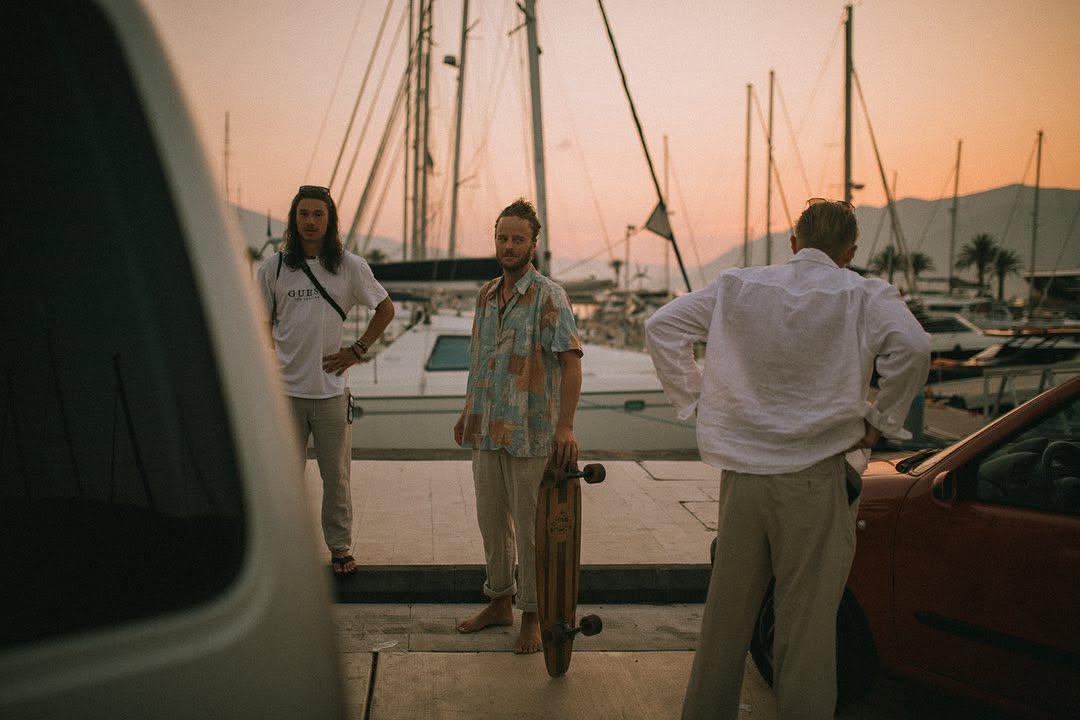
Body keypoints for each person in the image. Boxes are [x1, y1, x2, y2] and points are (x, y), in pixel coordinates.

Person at [645, 198, 930, 719]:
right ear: (849, 251)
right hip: (815, 476)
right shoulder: (864, 295)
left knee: (726, 619)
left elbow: (662, 327)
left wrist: (699, 399)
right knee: (806, 627)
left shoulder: (739, 287)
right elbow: (912, 347)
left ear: (794, 243)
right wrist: (881, 422)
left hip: (744, 477)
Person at [453, 198, 583, 654]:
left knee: (530, 529)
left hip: (530, 432)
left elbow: (570, 362)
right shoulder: (487, 294)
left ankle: (532, 614)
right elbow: (480, 358)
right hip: (486, 428)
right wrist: (468, 410)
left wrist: (565, 428)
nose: (509, 246)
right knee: (491, 522)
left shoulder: (549, 295)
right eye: (503, 238)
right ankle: (499, 601)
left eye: (518, 239)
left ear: (534, 244)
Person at [258, 184, 395, 577]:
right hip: (285, 392)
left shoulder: (349, 266)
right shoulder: (276, 267)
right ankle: (285, 548)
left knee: (336, 477)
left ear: (330, 219)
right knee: (284, 477)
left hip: (331, 393)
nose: (311, 221)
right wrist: (279, 358)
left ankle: (339, 548)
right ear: (294, 218)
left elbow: (384, 309)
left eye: (319, 214)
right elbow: (262, 323)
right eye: (304, 214)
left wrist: (358, 349)